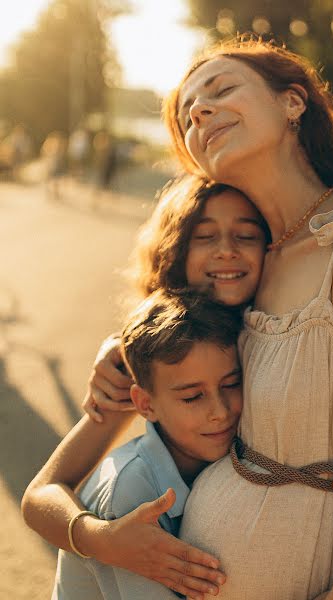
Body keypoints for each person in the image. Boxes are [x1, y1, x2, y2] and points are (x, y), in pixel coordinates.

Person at [22, 38, 333, 598]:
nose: (199, 110)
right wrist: (119, 343)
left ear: (293, 103)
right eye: (187, 114)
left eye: (222, 90)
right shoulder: (245, 271)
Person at [22, 176, 269, 599]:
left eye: (246, 234)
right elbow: (40, 495)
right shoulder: (147, 358)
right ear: (176, 253)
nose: (227, 249)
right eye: (205, 237)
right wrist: (102, 540)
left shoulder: (281, 326)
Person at [52, 290, 243, 599]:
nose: (220, 412)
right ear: (145, 403)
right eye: (192, 397)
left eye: (232, 384)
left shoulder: (218, 449)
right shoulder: (132, 492)